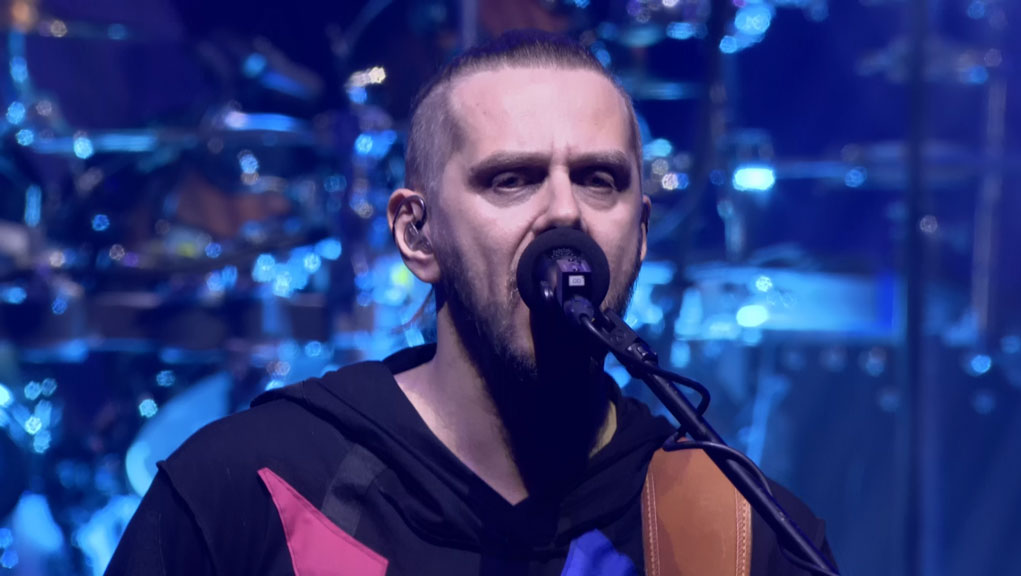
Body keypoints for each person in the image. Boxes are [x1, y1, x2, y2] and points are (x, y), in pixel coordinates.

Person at [107, 30, 835, 575]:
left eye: (599, 180)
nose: (565, 213)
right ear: (416, 234)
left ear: (640, 234)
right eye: (511, 179)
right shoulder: (251, 490)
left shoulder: (738, 531)